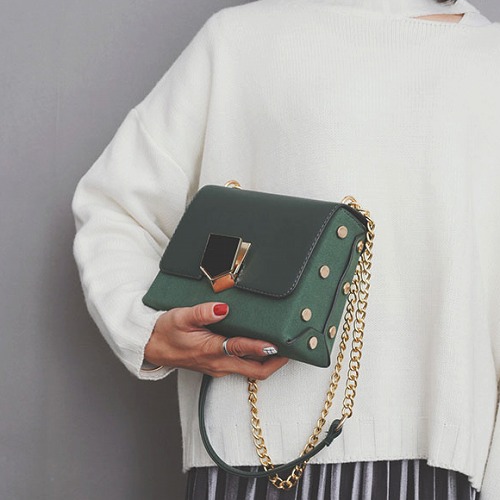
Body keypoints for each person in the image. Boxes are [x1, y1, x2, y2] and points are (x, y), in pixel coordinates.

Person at [71, 0, 500, 498]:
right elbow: (116, 206)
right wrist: (143, 330)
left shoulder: (487, 57)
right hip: (257, 455)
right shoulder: (240, 40)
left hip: (456, 463)